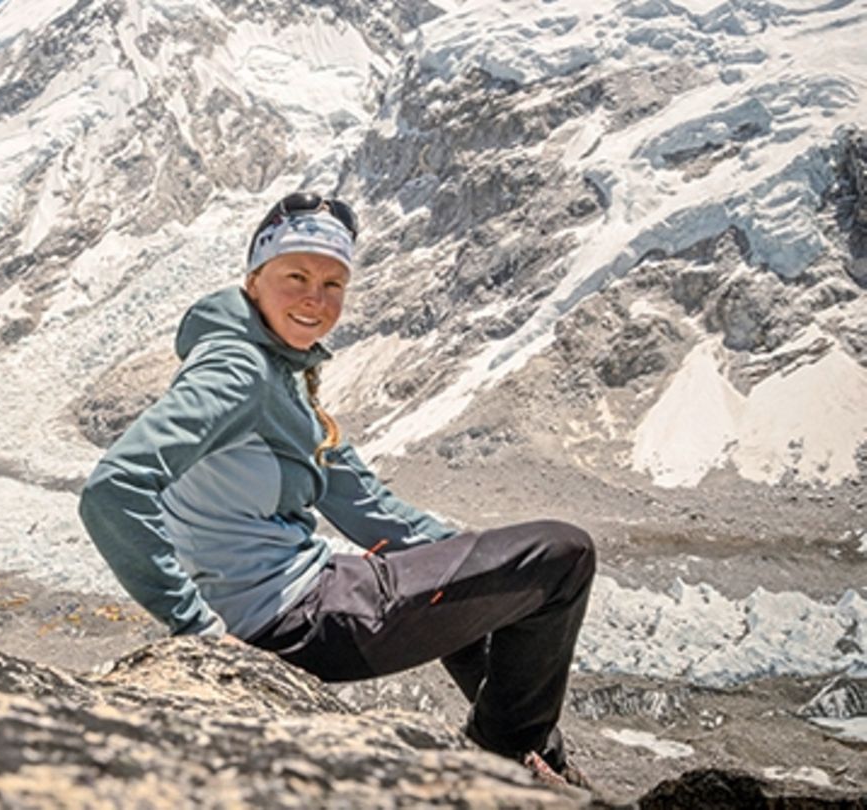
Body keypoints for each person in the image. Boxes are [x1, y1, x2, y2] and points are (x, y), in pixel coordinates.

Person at [77, 191, 596, 786]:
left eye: (332, 284)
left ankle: (519, 752)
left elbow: (369, 508)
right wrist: (199, 632)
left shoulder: (280, 371)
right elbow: (114, 489)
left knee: (479, 579)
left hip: (298, 605)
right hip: (295, 620)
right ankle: (514, 762)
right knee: (564, 556)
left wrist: (466, 552)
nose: (314, 299)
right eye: (295, 275)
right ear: (254, 278)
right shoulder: (237, 367)